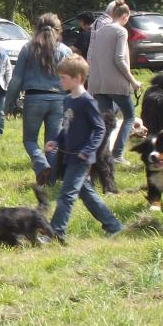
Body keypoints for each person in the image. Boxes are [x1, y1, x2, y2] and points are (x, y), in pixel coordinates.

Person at [45, 55, 124, 241]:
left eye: (64, 77)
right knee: (86, 194)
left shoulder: (87, 101)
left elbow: (100, 128)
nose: (60, 80)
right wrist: (56, 140)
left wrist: (88, 151)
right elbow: (66, 127)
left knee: (66, 195)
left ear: (78, 78)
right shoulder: (68, 100)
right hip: (69, 156)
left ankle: (56, 232)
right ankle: (114, 225)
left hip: (81, 158)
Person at [3, 13, 71, 183]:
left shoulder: (28, 48)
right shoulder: (65, 50)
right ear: (58, 30)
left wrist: (8, 104)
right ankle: (51, 181)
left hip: (34, 99)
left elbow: (16, 79)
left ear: (37, 29)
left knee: (30, 140)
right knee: (53, 143)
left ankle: (41, 165)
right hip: (58, 100)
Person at [87, 0, 141, 164]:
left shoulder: (99, 30)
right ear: (125, 16)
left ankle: (100, 153)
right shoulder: (121, 31)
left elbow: (93, 56)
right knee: (129, 116)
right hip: (115, 84)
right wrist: (133, 81)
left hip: (98, 83)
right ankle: (117, 154)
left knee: (106, 121)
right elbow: (119, 59)